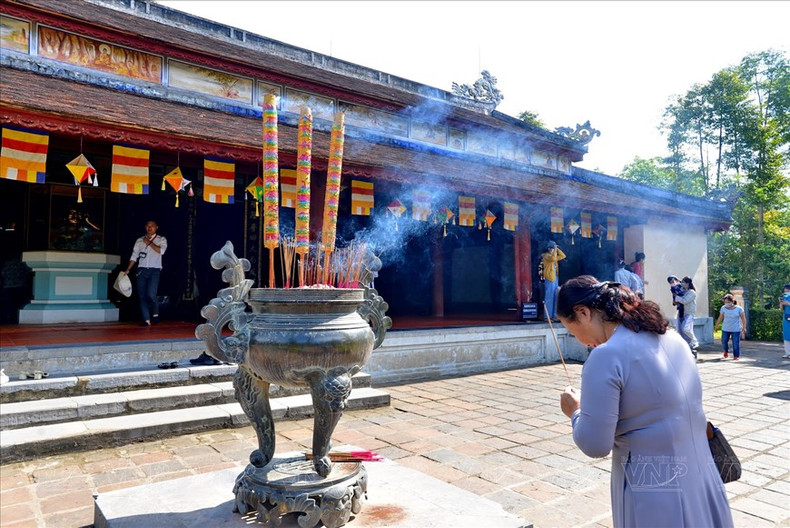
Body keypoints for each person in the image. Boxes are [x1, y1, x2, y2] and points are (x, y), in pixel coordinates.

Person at [557, 276, 733, 528]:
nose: (580, 340)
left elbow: (595, 444)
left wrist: (575, 411)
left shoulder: (606, 356)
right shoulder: (673, 338)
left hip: (654, 485)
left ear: (583, 312)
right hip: (700, 471)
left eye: (571, 331)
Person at [124, 220, 167, 326]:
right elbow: (134, 256)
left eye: (152, 226)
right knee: (142, 295)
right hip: (142, 270)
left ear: (156, 227)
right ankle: (146, 319)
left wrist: (149, 243)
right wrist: (128, 269)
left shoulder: (161, 239)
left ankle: (155, 313)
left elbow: (161, 251)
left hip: (154, 270)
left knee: (151, 294)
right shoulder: (139, 240)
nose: (149, 227)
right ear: (145, 227)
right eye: (148, 226)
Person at [714, 294, 746, 360]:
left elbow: (743, 318)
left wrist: (744, 327)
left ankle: (736, 356)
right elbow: (720, 317)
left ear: (732, 301)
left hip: (736, 329)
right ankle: (726, 351)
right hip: (726, 328)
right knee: (724, 341)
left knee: (735, 343)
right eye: (725, 302)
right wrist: (716, 325)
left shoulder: (739, 309)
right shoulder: (723, 308)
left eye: (728, 302)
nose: (727, 304)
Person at [539, 240, 565, 321]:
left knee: (556, 296)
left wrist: (557, 249)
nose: (552, 250)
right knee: (549, 297)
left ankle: (554, 315)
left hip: (555, 278)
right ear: (548, 249)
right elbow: (553, 258)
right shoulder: (546, 256)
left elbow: (563, 256)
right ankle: (547, 316)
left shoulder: (553, 256)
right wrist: (554, 250)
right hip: (549, 278)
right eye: (551, 248)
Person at [675, 276, 700, 354]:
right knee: (680, 331)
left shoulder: (692, 292)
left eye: (684, 282)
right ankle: (684, 345)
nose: (682, 284)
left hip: (689, 313)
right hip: (681, 313)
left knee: (686, 328)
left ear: (688, 283)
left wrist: (677, 297)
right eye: (681, 282)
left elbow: (685, 301)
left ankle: (694, 341)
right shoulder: (682, 291)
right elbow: (677, 301)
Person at [780, 284, 790, 359]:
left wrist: (788, 304)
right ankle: (787, 353)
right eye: (784, 290)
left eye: (787, 290)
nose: (785, 291)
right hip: (786, 317)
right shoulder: (784, 297)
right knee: (786, 334)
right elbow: (781, 309)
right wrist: (781, 302)